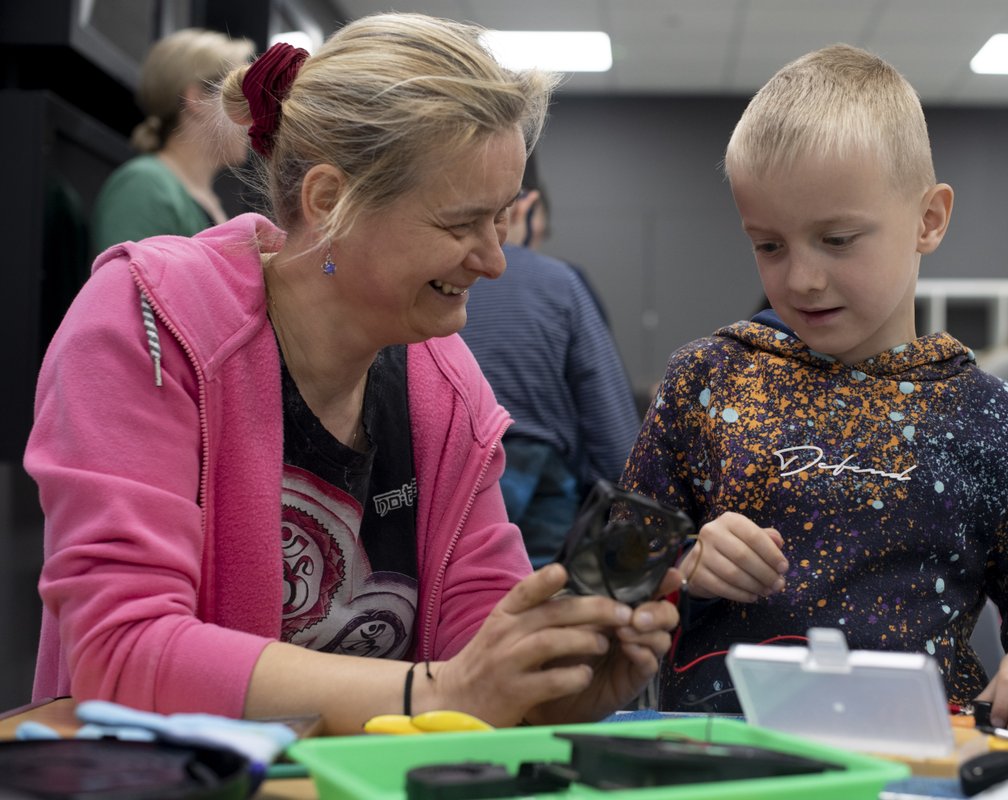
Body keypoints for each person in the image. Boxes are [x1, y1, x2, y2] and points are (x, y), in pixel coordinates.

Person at [26, 13, 678, 736]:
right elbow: (121, 654)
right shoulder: (146, 322)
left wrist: (557, 687)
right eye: (462, 224)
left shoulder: (446, 383)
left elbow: (473, 656)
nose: (494, 260)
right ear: (330, 200)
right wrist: (432, 694)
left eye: (500, 220)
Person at [619, 44, 1008, 732]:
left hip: (920, 759)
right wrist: (682, 559)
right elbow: (608, 571)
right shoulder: (707, 381)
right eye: (769, 246)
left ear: (928, 220)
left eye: (839, 239)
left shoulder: (999, 421)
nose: (802, 279)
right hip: (730, 755)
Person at [459, 155, 642, 567]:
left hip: (448, 488)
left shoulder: (432, 285)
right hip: (544, 503)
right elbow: (614, 436)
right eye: (540, 231)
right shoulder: (560, 284)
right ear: (525, 207)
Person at [91, 28, 255, 254]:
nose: (252, 116)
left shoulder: (201, 198)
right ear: (196, 99)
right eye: (240, 99)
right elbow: (129, 286)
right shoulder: (144, 186)